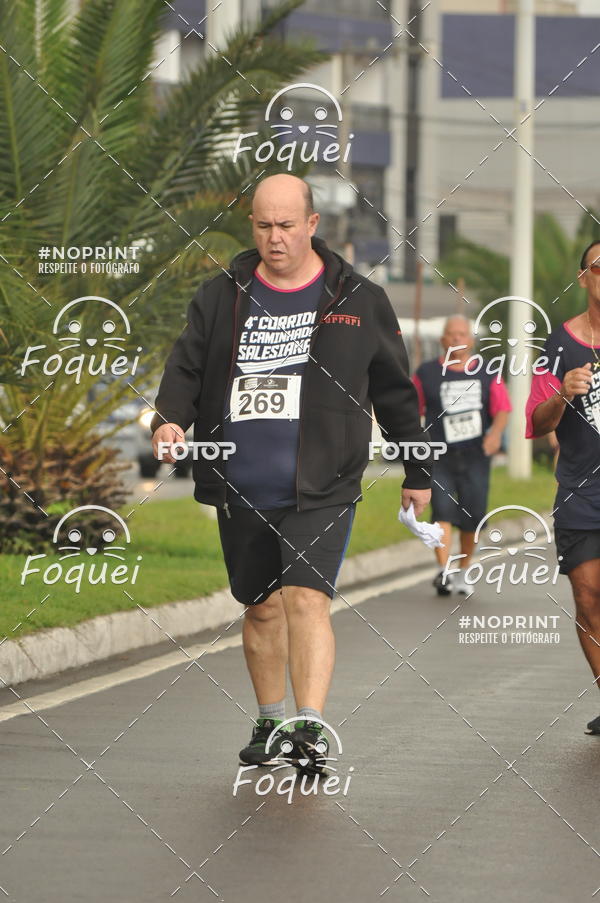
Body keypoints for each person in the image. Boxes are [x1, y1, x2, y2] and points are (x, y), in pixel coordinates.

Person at [150, 174, 432, 772]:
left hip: (324, 484)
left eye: (286, 225)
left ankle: (307, 727)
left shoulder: (357, 299)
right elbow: (186, 366)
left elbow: (395, 391)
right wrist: (169, 421)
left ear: (311, 224)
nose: (274, 238)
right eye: (263, 225)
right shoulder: (221, 294)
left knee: (306, 599)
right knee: (261, 606)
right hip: (240, 482)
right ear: (251, 225)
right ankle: (269, 718)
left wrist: (417, 467)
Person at [525, 239, 600, 736]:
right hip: (581, 490)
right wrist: (564, 395)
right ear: (584, 279)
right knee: (589, 596)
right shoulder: (560, 344)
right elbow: (535, 418)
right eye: (599, 267)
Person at [412, 315, 511, 596]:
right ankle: (444, 571)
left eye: (462, 334)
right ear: (443, 340)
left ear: (471, 340)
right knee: (441, 510)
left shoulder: (487, 371)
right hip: (438, 453)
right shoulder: (426, 373)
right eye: (451, 334)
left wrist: (494, 436)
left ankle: (464, 571)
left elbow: (503, 407)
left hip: (476, 454)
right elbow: (411, 409)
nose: (456, 338)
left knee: (473, 515)